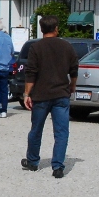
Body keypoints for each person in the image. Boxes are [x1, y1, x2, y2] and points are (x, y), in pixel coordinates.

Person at [22, 15, 78, 179]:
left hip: (41, 94)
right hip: (61, 93)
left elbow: (31, 72)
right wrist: (72, 85)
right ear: (56, 28)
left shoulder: (36, 47)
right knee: (61, 132)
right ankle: (58, 166)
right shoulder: (66, 46)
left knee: (36, 129)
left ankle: (32, 161)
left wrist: (27, 93)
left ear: (41, 29)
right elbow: (74, 68)